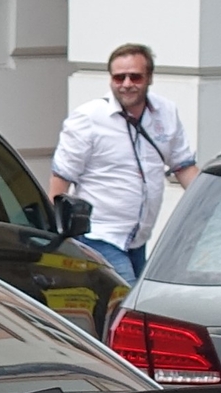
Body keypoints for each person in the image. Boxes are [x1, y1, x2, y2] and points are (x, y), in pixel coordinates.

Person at [49, 43, 198, 281]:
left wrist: (213, 204)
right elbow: (62, 178)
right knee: (128, 302)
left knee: (136, 307)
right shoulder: (88, 118)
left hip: (138, 239)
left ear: (149, 78)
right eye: (119, 77)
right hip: (99, 236)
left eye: (135, 77)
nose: (127, 84)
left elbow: (183, 167)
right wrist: (56, 234)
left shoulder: (166, 112)